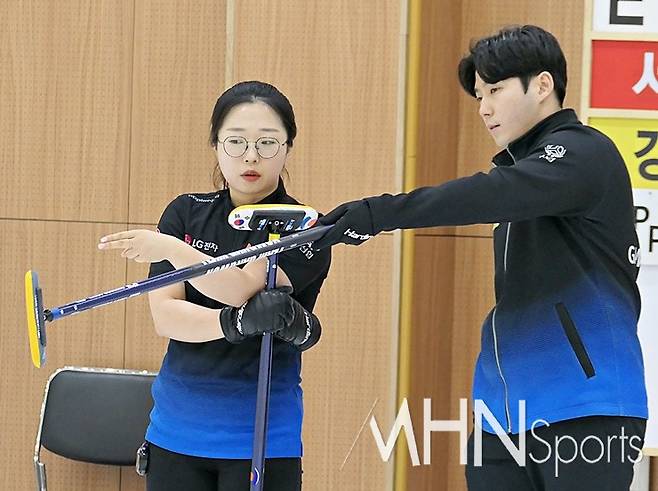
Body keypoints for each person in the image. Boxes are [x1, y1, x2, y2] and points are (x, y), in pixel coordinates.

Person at [314, 25, 647, 490]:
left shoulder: (584, 153)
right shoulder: (522, 175)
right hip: (502, 416)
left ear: (543, 85)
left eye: (495, 90)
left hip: (586, 406)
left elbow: (490, 193)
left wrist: (378, 213)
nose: (484, 108)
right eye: (478, 96)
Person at [98, 81, 331, 490]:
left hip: (262, 438)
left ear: (288, 147)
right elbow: (167, 317)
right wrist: (234, 324)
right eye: (236, 141)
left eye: (267, 143)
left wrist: (174, 250)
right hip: (175, 431)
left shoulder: (305, 227)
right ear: (216, 145)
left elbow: (242, 289)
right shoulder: (186, 212)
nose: (251, 156)